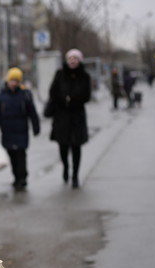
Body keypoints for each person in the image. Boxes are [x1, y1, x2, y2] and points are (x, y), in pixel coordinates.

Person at [0, 67, 40, 191]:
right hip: (7, 131)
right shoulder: (1, 96)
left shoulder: (25, 95)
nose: (14, 83)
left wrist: (36, 127)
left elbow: (32, 113)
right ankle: (16, 178)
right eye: (12, 80)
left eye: (16, 81)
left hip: (21, 131)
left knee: (21, 156)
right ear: (8, 80)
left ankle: (23, 178)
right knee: (12, 156)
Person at [48, 49, 91, 188]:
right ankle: (66, 167)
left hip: (77, 116)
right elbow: (53, 92)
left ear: (79, 60)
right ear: (66, 60)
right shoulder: (59, 75)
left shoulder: (85, 76)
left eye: (75, 58)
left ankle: (75, 176)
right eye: (70, 58)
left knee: (76, 147)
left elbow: (87, 95)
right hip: (62, 116)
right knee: (63, 147)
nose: (72, 61)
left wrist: (72, 100)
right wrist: (63, 100)